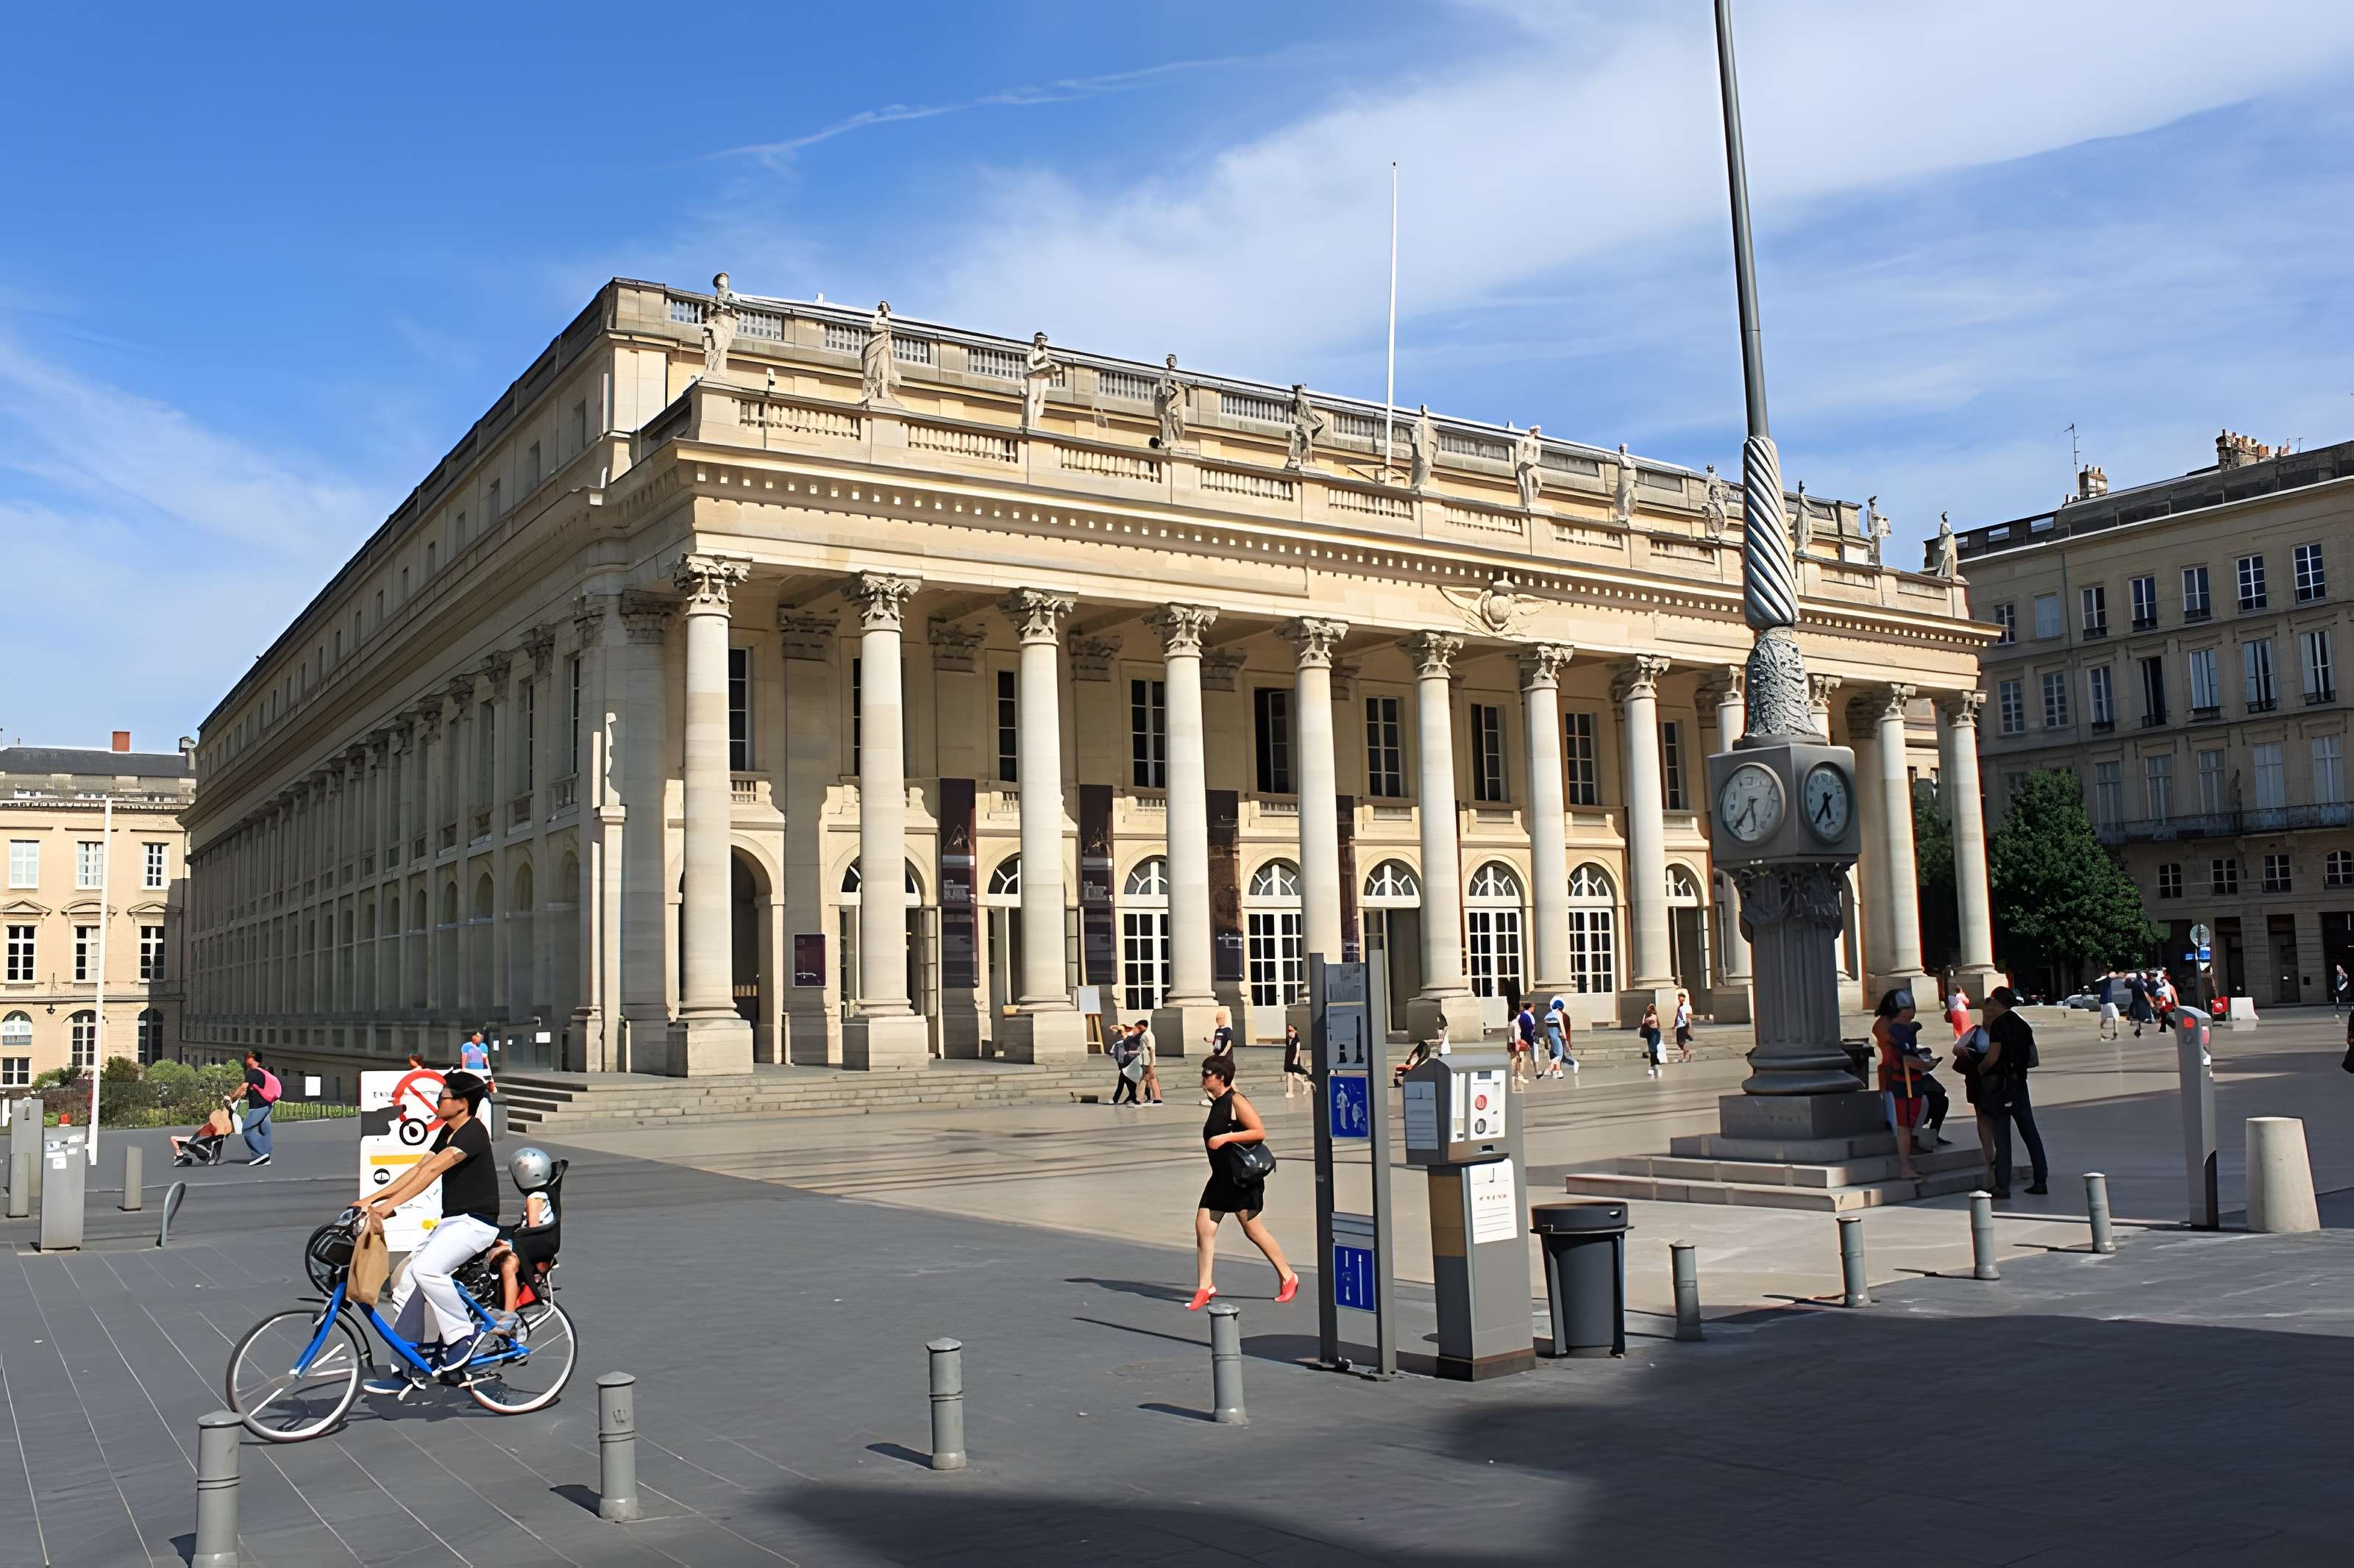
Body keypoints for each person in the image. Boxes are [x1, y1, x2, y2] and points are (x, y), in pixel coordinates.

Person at [360, 1071, 502, 1391]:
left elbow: (436, 1170)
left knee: (427, 1269)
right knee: (407, 1285)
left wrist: (389, 1205)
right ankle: (406, 1370)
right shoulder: (448, 1133)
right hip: (452, 1222)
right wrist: (371, 1199)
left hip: (476, 1223)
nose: (438, 1100)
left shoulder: (473, 1132)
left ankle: (462, 1337)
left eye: (444, 1096)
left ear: (462, 1103)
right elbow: (420, 1168)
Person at [1189, 1055, 1298, 1312]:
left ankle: (1288, 1276)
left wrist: (1225, 1138)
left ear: (1221, 1077)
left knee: (1253, 1231)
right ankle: (1205, 1287)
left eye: (1207, 1074)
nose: (1203, 1078)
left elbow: (1259, 1131)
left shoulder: (1235, 1100)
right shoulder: (1217, 1103)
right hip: (1221, 1178)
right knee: (1204, 1227)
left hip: (1241, 1179)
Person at [480, 1146, 560, 1340]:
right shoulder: (544, 1193)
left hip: (530, 1246)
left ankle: (507, 1318)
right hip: (536, 1244)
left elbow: (532, 1228)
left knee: (502, 1259)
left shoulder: (533, 1198)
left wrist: (508, 1245)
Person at [1978, 986, 2050, 1198]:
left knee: (2002, 1136)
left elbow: (1992, 1057)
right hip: (2020, 1085)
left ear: (1998, 1003)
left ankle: (2002, 1185)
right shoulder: (2022, 1024)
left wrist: (1980, 1070)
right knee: (2030, 1133)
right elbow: (2033, 1059)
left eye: (1991, 1000)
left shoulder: (2000, 1025)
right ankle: (2040, 1179)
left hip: (2001, 1086)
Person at [1872, 990, 1930, 1182]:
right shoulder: (1894, 1029)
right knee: (1902, 1124)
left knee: (1907, 1121)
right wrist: (1926, 1065)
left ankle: (1907, 1159)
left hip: (1898, 1077)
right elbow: (1906, 1058)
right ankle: (1905, 1164)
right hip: (1899, 1079)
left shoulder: (1893, 1026)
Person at [239, 1051, 280, 1166]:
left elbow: (244, 1087)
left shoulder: (253, 1072)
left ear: (254, 1060)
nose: (246, 1060)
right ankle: (266, 1155)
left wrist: (230, 1096)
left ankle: (260, 1155)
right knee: (265, 1129)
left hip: (258, 1107)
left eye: (248, 1058)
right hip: (267, 1105)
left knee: (247, 1130)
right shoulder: (264, 1072)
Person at [170, 1097, 237, 1165]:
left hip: (205, 1147)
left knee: (216, 1138)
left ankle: (183, 1156)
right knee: (216, 1139)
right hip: (206, 1149)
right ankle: (184, 1156)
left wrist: (179, 1152)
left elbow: (173, 1139)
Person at [1198, 1008, 1235, 1105]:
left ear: (1224, 1019)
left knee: (1228, 1080)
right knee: (1215, 1077)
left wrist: (1224, 1052)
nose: (1219, 1020)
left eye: (1220, 1018)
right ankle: (1214, 1098)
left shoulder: (1228, 1031)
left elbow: (1229, 1042)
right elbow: (1216, 1041)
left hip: (1226, 1059)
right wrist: (1209, 1040)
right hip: (1217, 1058)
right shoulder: (1217, 1030)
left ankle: (1235, 1098)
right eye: (1217, 1019)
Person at [1110, 1021, 1146, 1105]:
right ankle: (1131, 1098)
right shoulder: (1120, 1042)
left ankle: (1122, 1099)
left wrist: (1124, 1028)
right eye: (1120, 1030)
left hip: (1130, 1063)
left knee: (1124, 1082)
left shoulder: (1130, 1036)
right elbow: (1119, 1057)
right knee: (1126, 1082)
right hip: (1126, 1064)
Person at [1544, 996, 1576, 1077]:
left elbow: (1546, 1028)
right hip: (1557, 1037)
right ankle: (1558, 1071)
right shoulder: (1559, 1014)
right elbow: (1562, 1026)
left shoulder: (1548, 1016)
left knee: (1554, 1054)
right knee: (1559, 1054)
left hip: (1550, 1038)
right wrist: (1565, 1037)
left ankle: (1553, 1070)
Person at [1512, 999, 1539, 1087]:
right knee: (1520, 1058)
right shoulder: (1523, 1018)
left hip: (1520, 1040)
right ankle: (1519, 1075)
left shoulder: (1519, 1018)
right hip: (1522, 1040)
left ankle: (1518, 1075)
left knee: (1519, 1058)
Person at [1281, 1023, 1310, 1100]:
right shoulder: (1289, 1040)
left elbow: (1297, 1051)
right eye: (1289, 1031)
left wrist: (1296, 1059)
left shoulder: (1297, 1041)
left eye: (1292, 1031)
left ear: (1296, 1032)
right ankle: (1290, 1092)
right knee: (1289, 1075)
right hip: (1288, 1058)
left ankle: (1305, 1084)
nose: (1290, 1033)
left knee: (1296, 1075)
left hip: (1294, 1059)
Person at [1637, 1002, 1664, 1079]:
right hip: (1649, 1032)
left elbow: (1651, 1021)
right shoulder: (1646, 1015)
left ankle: (1654, 1063)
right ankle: (1654, 1063)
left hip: (1654, 1032)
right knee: (1651, 1048)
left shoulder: (1654, 1016)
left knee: (1653, 1048)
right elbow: (1645, 1022)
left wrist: (1647, 1020)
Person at [2124, 969, 2154, 1037]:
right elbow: (2142, 993)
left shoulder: (2135, 983)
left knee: (2138, 1015)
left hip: (2136, 1001)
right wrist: (2147, 1002)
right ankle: (2138, 1029)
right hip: (2140, 1001)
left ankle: (2139, 1028)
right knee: (2141, 1016)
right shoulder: (2139, 983)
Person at [2096, 970, 2121, 1041]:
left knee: (2104, 1019)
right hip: (2109, 1003)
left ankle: (2104, 1032)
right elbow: (2112, 975)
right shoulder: (2106, 982)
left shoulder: (2101, 983)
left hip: (2105, 1004)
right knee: (2115, 1017)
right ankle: (2115, 1032)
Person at [1672, 991, 1695, 1063]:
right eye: (1679, 999)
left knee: (1681, 1042)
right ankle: (1686, 1054)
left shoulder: (1686, 1007)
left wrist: (1688, 1026)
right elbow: (1677, 1017)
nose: (1680, 1000)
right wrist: (1675, 1025)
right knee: (1680, 1042)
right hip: (1680, 1026)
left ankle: (1686, 1055)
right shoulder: (1680, 1006)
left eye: (1681, 999)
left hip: (1684, 1025)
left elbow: (1689, 1016)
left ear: (1684, 999)